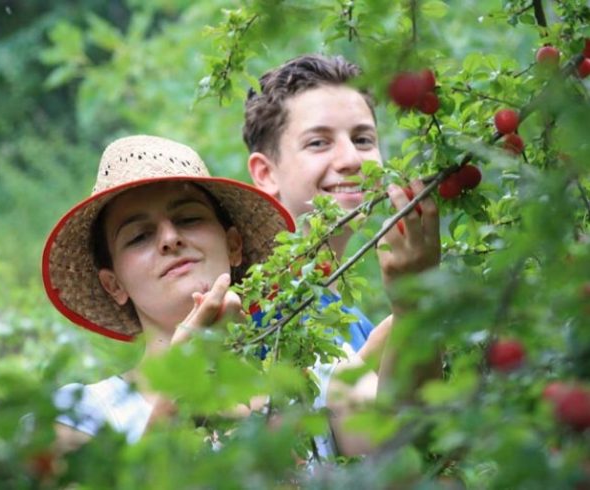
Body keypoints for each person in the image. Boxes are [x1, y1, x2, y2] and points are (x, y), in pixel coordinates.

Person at [243, 54, 442, 457]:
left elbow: (424, 460)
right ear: (266, 174)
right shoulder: (254, 314)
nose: (351, 159)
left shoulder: (360, 328)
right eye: (319, 142)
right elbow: (397, 440)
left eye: (364, 139)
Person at [42, 135, 295, 452]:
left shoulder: (310, 384)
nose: (170, 238)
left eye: (189, 218)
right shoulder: (80, 416)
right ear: (114, 285)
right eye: (139, 237)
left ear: (234, 245)